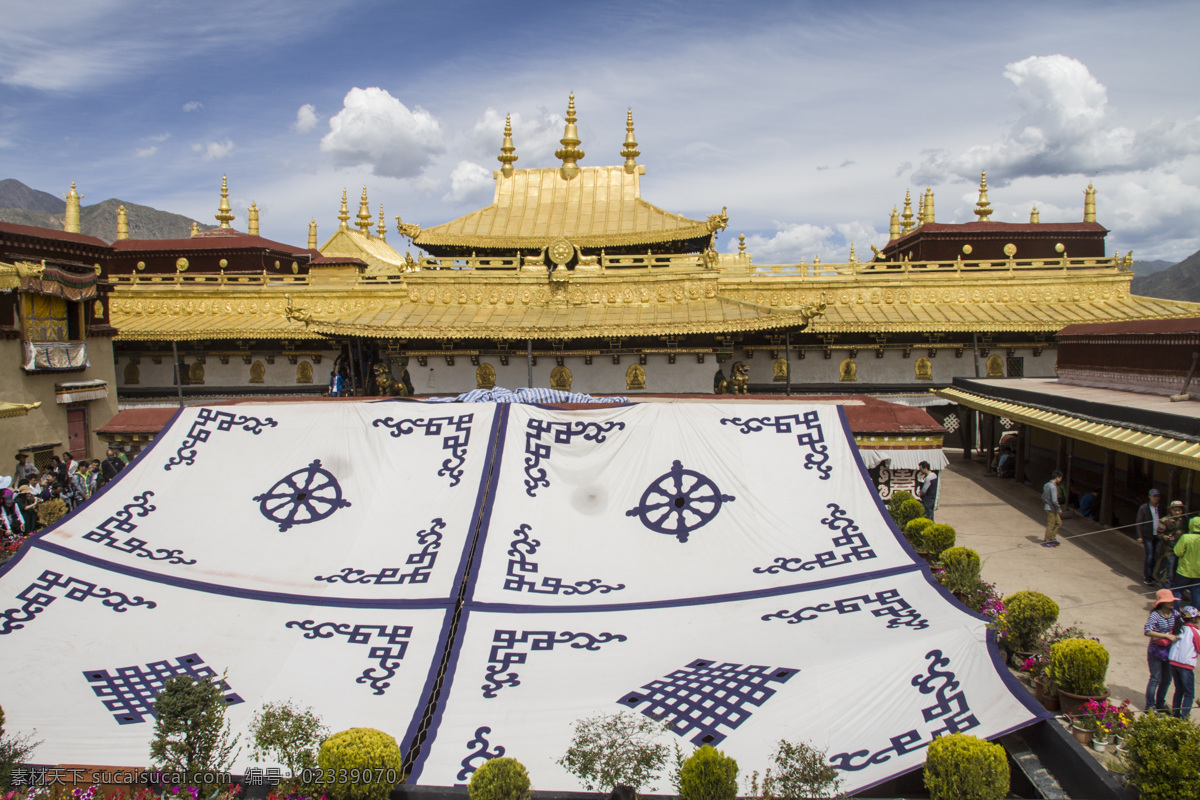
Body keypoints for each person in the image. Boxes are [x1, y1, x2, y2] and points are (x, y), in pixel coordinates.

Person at [1146, 589, 1182, 712]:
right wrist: (1166, 636)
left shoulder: (1176, 614)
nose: (1172, 603)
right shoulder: (1155, 615)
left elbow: (1182, 625)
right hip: (1155, 651)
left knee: (1167, 679)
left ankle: (1160, 703)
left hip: (1169, 652)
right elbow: (1147, 631)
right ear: (1162, 603)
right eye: (1169, 601)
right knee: (1155, 678)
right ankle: (1150, 706)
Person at [1169, 605, 1200, 718]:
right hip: (1185, 665)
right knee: (1189, 693)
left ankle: (1176, 714)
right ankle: (1184, 717)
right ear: (1193, 619)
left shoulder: (1179, 628)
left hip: (1173, 662)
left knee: (1179, 690)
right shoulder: (1195, 631)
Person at [1137, 489, 1165, 586]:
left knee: (1155, 556)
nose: (1156, 498)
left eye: (1157, 496)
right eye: (1154, 496)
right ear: (1149, 496)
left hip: (1157, 535)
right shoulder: (1144, 508)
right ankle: (1147, 576)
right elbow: (1139, 523)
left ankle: (1151, 574)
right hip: (1147, 535)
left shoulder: (1160, 508)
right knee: (1149, 556)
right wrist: (1140, 536)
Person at [1156, 500, 1187, 587]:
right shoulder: (1165, 520)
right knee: (1169, 571)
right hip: (1169, 549)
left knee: (1179, 571)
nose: (1178, 512)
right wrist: (1166, 537)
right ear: (1171, 510)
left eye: (1179, 510)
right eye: (1175, 510)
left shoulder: (1184, 520)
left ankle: (1177, 590)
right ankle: (1167, 590)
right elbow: (1159, 534)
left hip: (1181, 549)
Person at [1175, 517, 1200, 607]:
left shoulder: (1185, 537)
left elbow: (1178, 552)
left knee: (1177, 591)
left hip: (1184, 571)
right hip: (1198, 572)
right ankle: (1196, 615)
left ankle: (1175, 613)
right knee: (1196, 593)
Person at [1042, 470, 1064, 548]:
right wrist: (1059, 508)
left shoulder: (1046, 485)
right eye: (1060, 478)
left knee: (1058, 523)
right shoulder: (1053, 486)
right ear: (1057, 478)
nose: (1061, 479)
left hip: (1048, 507)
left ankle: (1052, 537)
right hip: (1051, 508)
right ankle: (1047, 541)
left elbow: (1043, 497)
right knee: (1051, 524)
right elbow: (1054, 500)